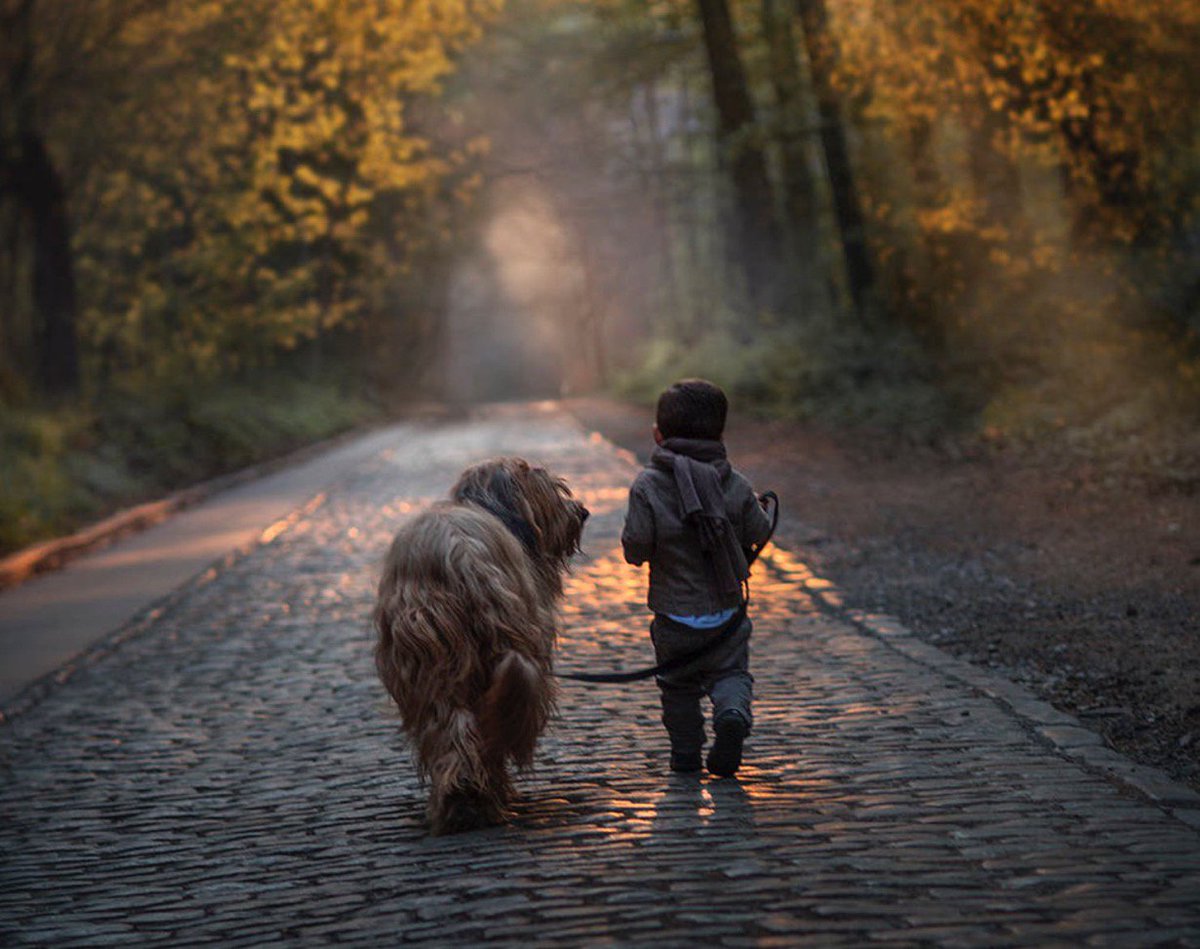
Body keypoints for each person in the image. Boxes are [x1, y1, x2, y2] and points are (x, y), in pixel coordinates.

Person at [621, 379, 774, 777]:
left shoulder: (648, 486)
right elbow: (758, 532)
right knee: (731, 674)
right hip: (725, 615)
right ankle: (733, 713)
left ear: (658, 434)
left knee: (677, 688)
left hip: (674, 619)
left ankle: (686, 756)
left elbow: (635, 549)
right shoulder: (735, 483)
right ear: (720, 434)